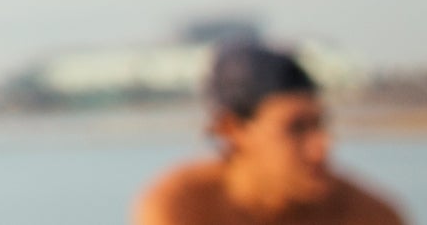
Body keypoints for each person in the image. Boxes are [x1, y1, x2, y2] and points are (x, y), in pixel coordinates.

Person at [136, 42, 406, 223]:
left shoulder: (370, 215)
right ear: (232, 130)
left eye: (320, 124)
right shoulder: (184, 205)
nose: (321, 147)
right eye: (295, 128)